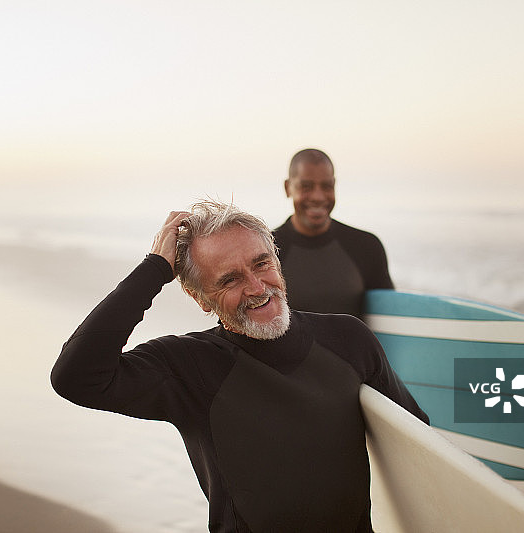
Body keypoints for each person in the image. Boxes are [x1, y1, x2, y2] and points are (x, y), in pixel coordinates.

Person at [51, 200, 428, 533]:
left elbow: (417, 439)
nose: (257, 287)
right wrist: (154, 270)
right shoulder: (188, 368)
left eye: (261, 264)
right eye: (230, 279)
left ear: (277, 261)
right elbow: (76, 377)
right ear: (200, 298)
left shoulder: (348, 339)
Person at [273, 149, 393, 318]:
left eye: (326, 186)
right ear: (288, 188)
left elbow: (389, 321)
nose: (318, 196)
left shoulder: (367, 246)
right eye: (306, 186)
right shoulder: (267, 251)